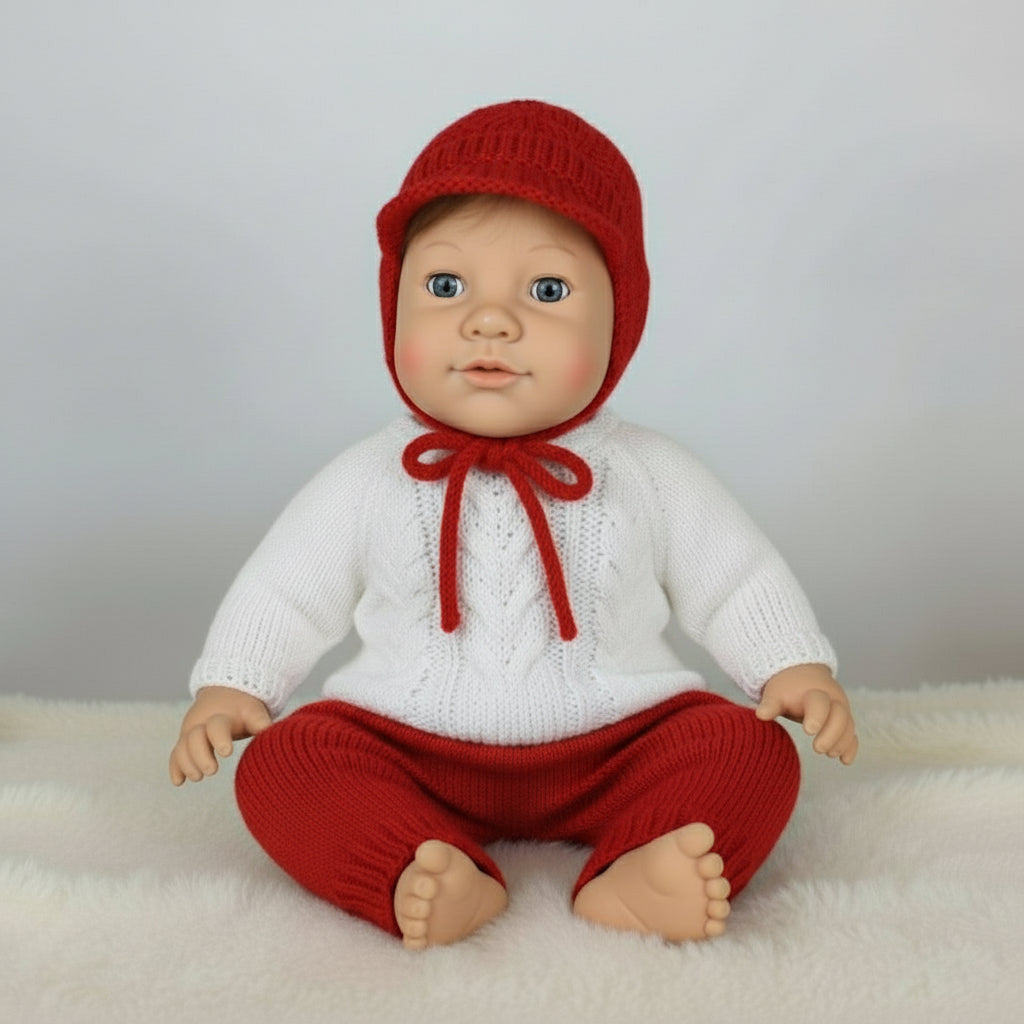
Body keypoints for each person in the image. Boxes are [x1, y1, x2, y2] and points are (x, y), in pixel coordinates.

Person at [169, 100, 857, 950]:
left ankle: (639, 869)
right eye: (447, 286)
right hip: (406, 746)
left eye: (548, 289)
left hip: (620, 743)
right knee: (285, 764)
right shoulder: (372, 475)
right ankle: (417, 868)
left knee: (745, 749)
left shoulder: (645, 468)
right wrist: (235, 682)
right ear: (395, 308)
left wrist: (790, 665)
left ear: (621, 323)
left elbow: (735, 572)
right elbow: (285, 586)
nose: (489, 320)